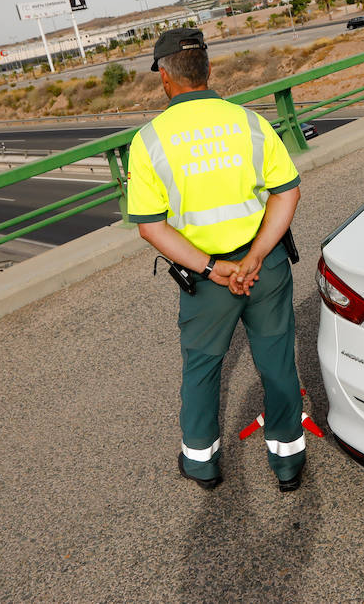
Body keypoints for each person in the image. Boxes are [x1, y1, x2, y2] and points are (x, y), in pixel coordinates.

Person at [127, 27, 308, 492]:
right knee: (276, 359)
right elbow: (287, 193)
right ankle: (287, 461)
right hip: (262, 268)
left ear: (164, 79)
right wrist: (258, 255)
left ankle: (202, 463)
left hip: (207, 280)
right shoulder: (251, 123)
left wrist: (211, 267)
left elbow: (151, 226)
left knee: (204, 365)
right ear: (208, 70)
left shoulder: (148, 142)